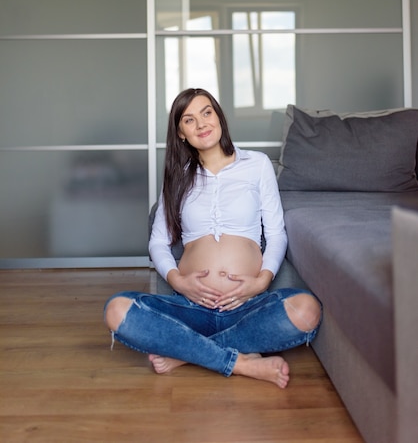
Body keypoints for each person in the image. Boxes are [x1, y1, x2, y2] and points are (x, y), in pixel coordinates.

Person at [104, 88, 321, 388]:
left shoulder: (257, 165)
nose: (202, 124)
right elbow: (158, 242)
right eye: (189, 120)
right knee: (117, 310)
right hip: (190, 307)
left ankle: (188, 352)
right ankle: (241, 362)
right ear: (181, 133)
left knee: (307, 310)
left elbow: (276, 234)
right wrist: (178, 281)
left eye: (207, 113)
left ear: (218, 116)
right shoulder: (178, 177)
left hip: (247, 305)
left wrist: (261, 282)